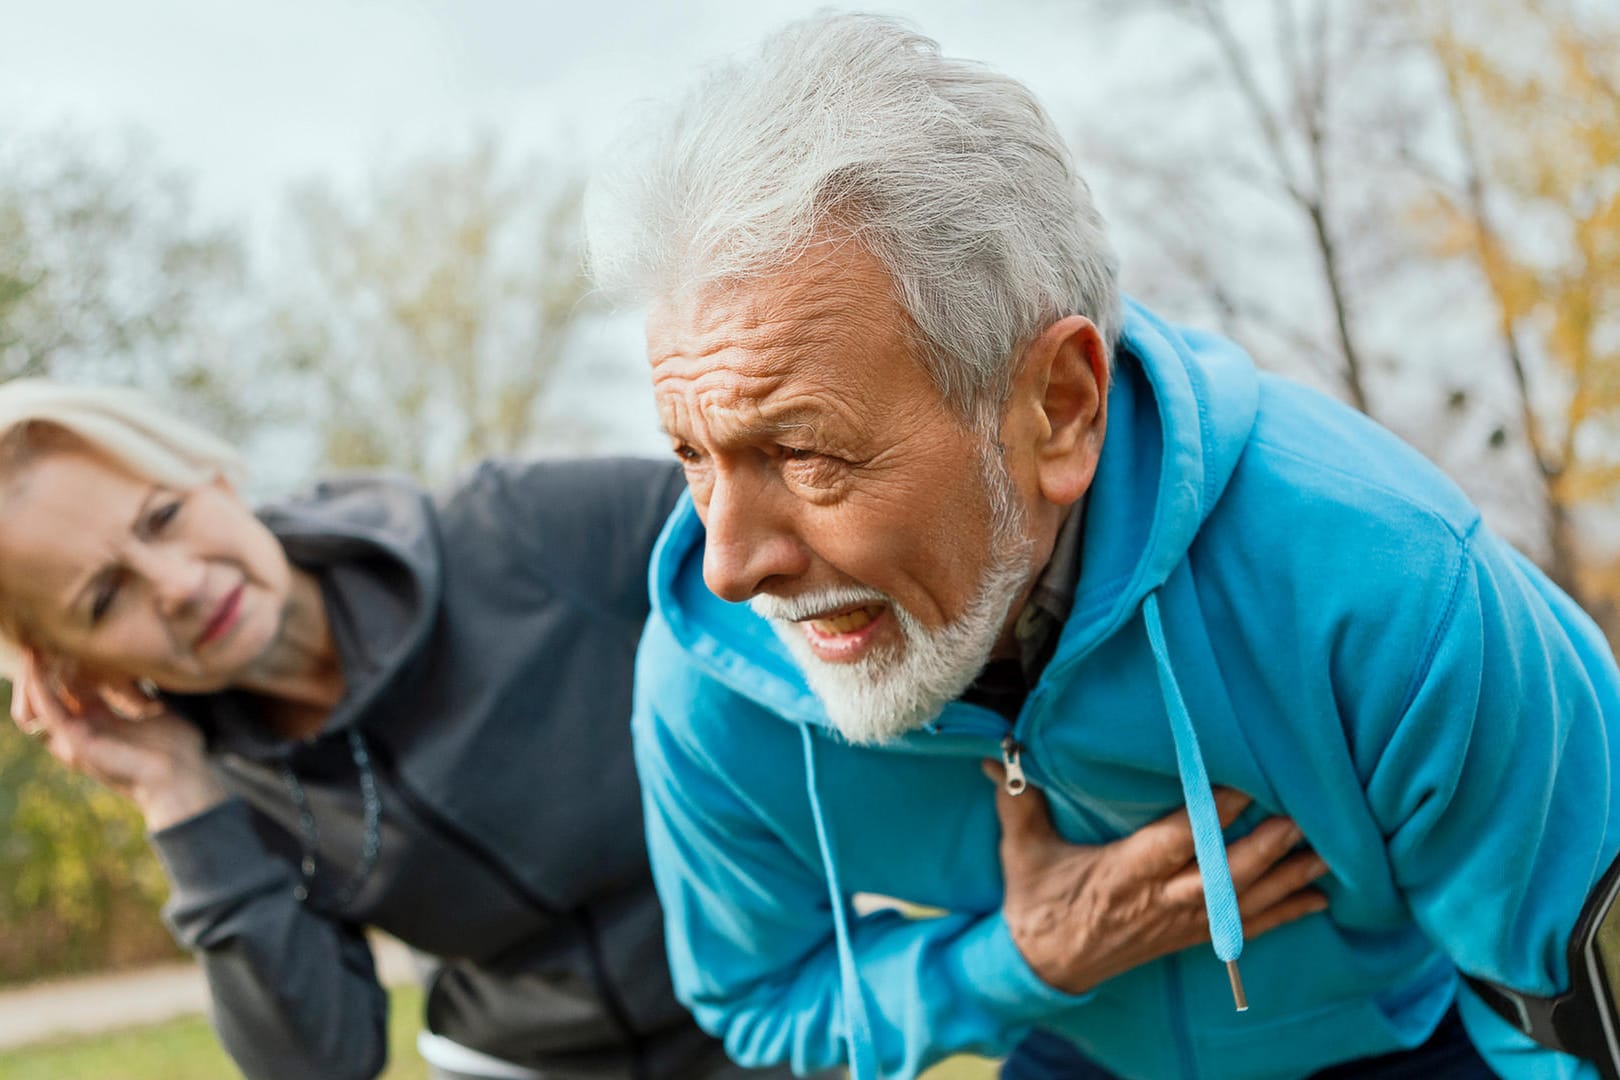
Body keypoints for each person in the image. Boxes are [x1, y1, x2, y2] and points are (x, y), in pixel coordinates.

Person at [582, 12, 1620, 1080]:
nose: (729, 566)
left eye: (806, 453)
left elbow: (1571, 1012)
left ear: (1059, 406)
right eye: (695, 458)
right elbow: (757, 999)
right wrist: (1019, 962)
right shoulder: (707, 682)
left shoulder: (1388, 585)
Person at [0, 379, 791, 1080]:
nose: (175, 585)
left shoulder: (515, 529)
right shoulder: (224, 786)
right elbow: (322, 1063)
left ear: (211, 476)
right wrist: (179, 796)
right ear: (75, 671)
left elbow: (782, 550)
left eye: (163, 516)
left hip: (775, 1001)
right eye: (104, 599)